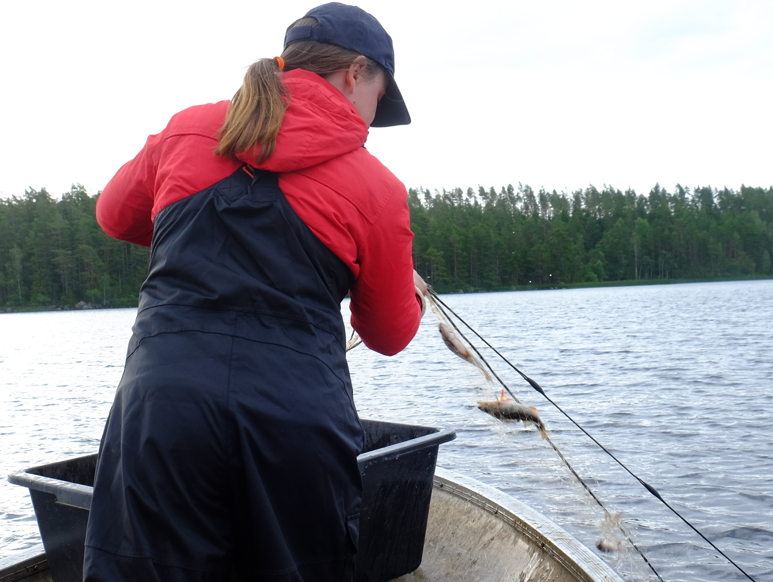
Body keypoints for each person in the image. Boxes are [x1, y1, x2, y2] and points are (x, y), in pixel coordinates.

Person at [83, 4, 426, 581]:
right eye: (380, 95)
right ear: (355, 72)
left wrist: (191, 238)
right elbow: (389, 334)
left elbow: (115, 216)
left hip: (164, 411)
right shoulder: (377, 188)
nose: (372, 117)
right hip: (295, 425)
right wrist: (407, 295)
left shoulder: (186, 130)